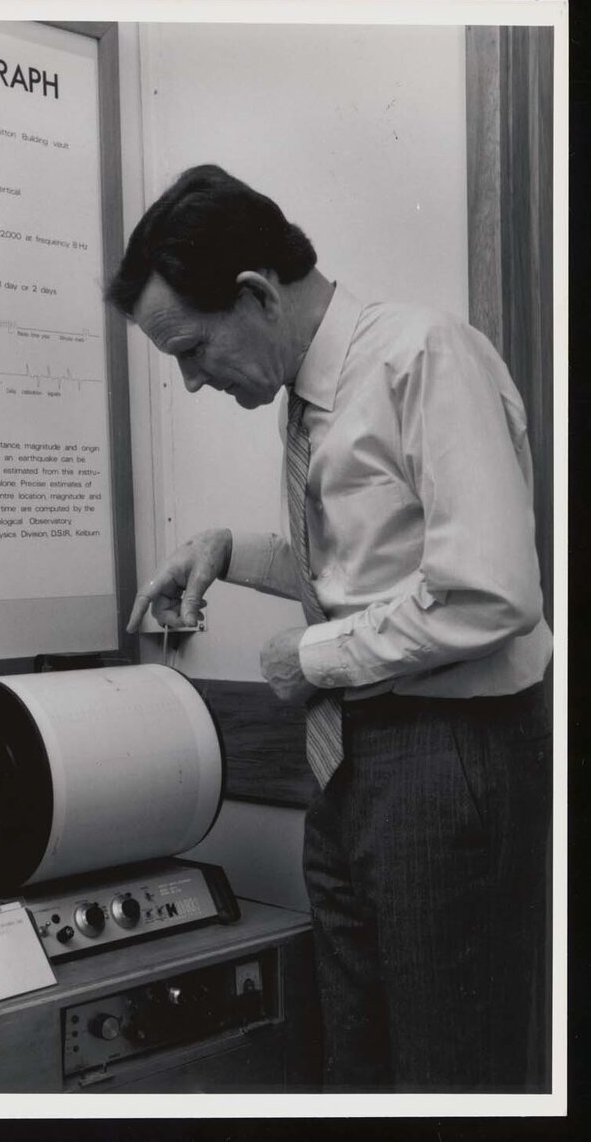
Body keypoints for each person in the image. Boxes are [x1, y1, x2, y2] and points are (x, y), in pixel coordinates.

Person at [108, 164, 552, 1092]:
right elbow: (367, 573)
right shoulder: (311, 396)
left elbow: (489, 589)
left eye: (190, 351)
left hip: (444, 753)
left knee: (448, 1073)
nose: (190, 382)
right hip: (351, 762)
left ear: (255, 294)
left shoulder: (422, 356)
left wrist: (310, 654)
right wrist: (228, 551)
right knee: (359, 1065)